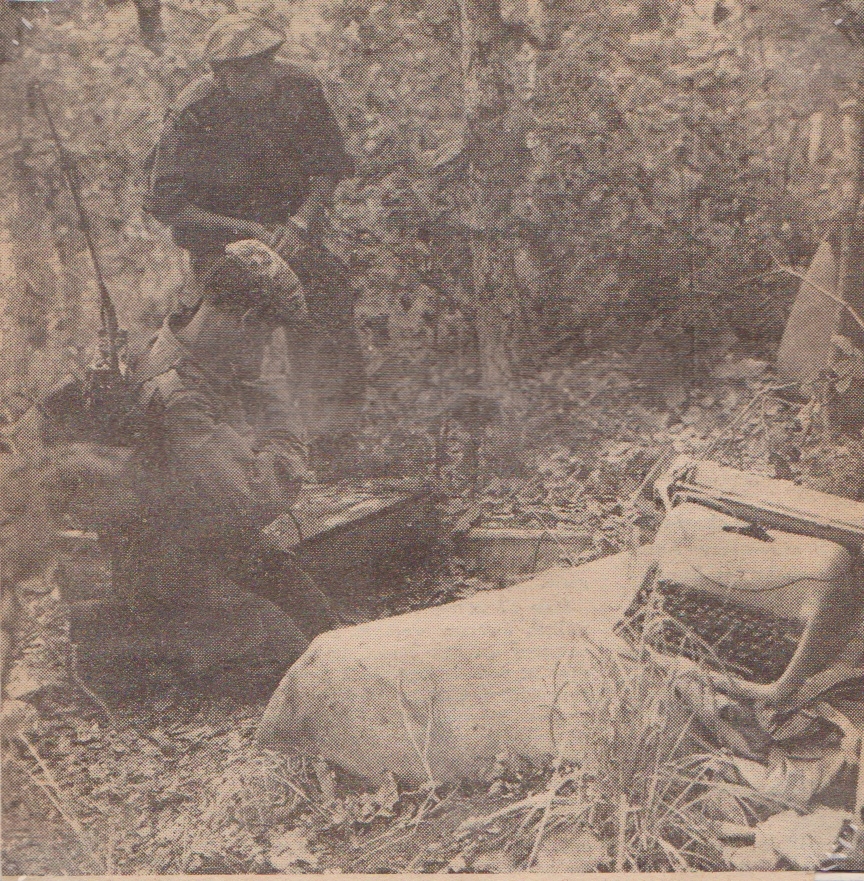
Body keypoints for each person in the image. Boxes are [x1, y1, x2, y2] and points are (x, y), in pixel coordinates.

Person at [56, 242, 342, 685]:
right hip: (176, 576)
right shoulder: (180, 395)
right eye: (268, 335)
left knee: (325, 626)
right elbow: (249, 500)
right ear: (247, 323)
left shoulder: (175, 353)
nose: (268, 348)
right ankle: (120, 637)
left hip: (202, 551)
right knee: (307, 667)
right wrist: (283, 428)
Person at [145, 13, 365, 471]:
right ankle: (236, 460)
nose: (258, 75)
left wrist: (302, 222)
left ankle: (332, 450)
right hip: (222, 246)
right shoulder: (194, 111)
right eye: (243, 67)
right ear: (219, 73)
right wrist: (244, 233)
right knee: (225, 351)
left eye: (263, 61)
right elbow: (168, 204)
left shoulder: (301, 88)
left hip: (293, 235)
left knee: (328, 321)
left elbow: (328, 164)